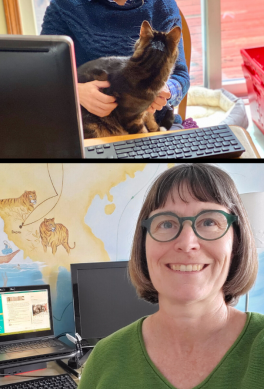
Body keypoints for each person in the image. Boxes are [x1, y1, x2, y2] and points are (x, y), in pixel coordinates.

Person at [78, 164, 263, 388]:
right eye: (166, 223)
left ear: (237, 241)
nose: (186, 243)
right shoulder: (104, 357)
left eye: (209, 222)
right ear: (143, 245)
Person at [41, 0, 189, 131]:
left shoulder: (163, 5)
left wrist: (166, 90)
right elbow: (46, 76)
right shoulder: (67, 4)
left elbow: (180, 75)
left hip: (153, 127)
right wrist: (75, 92)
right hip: (93, 129)